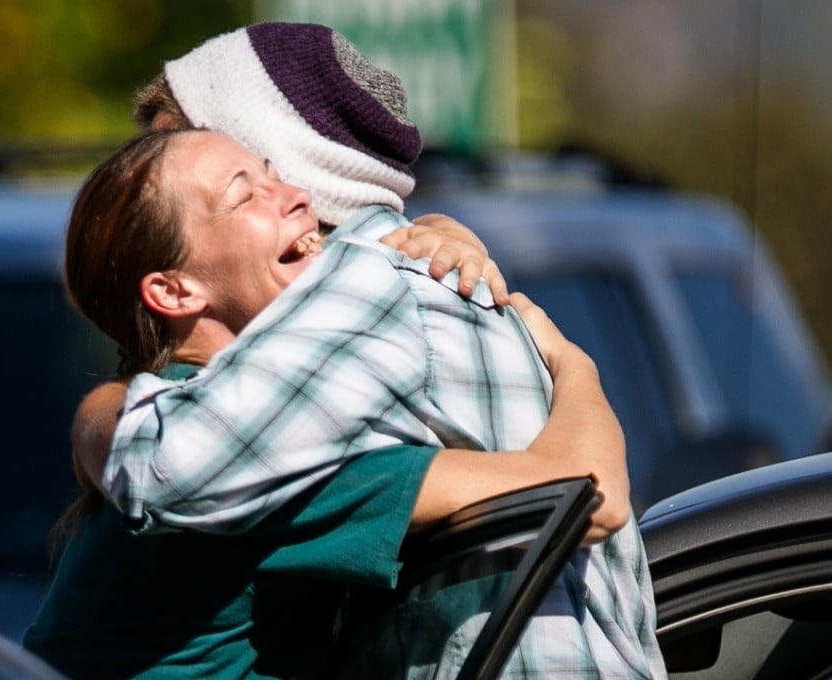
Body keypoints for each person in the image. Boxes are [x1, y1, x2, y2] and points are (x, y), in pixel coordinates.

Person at [34, 23, 664, 679]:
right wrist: (576, 369)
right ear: (171, 289)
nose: (294, 198)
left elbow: (159, 459)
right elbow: (584, 491)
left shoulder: (354, 304)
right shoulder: (292, 435)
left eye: (263, 175)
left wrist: (102, 419)